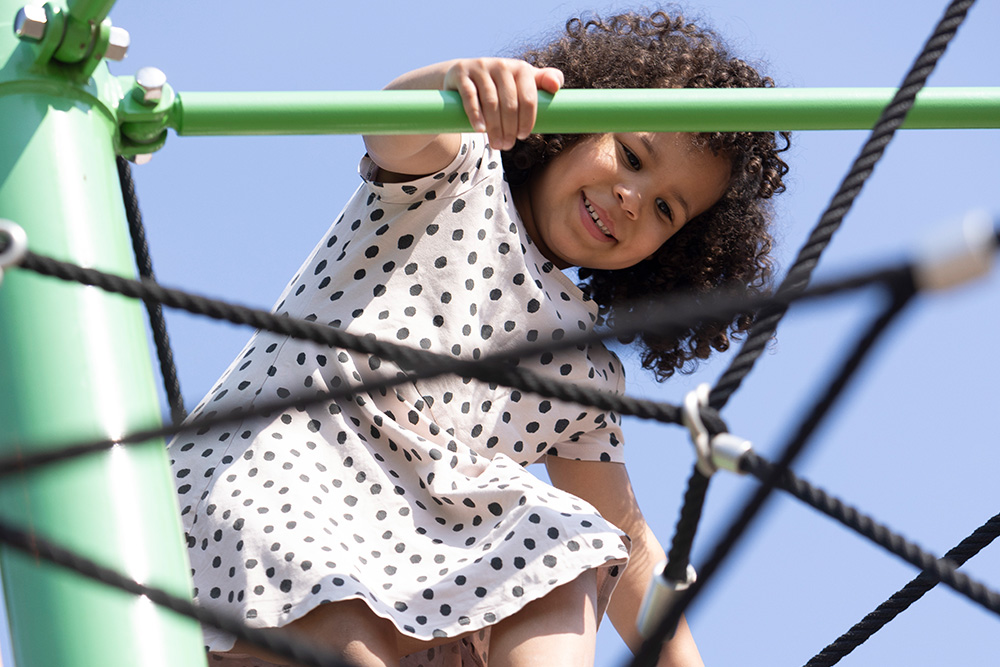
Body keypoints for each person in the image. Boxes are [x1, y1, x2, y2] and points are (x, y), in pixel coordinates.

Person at [172, 9, 789, 667]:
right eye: (631, 155)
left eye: (667, 208)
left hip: (404, 568)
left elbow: (629, 544)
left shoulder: (584, 371)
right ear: (574, 124)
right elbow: (392, 125)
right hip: (279, 494)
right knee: (356, 627)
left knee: (574, 538)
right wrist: (461, 86)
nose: (633, 198)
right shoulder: (457, 176)